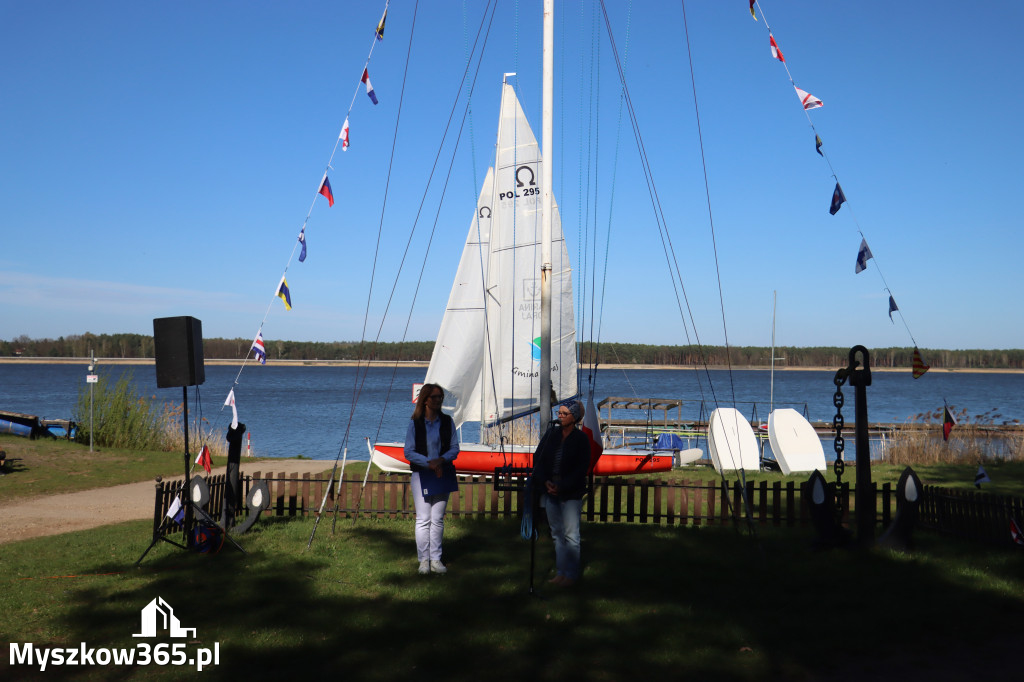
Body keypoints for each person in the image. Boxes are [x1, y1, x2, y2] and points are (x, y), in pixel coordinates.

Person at [532, 400, 590, 587]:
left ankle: (571, 575)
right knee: (557, 533)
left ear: (574, 418)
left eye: (564, 414)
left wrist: (563, 485)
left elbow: (581, 468)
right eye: (559, 412)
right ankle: (561, 572)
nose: (560, 416)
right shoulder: (551, 435)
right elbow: (538, 459)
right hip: (550, 490)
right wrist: (545, 481)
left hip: (570, 493)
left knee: (571, 535)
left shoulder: (581, 439)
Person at [403, 383, 459, 575]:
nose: (437, 400)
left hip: (443, 473)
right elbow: (408, 452)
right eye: (434, 397)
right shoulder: (415, 423)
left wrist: (441, 460)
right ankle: (423, 561)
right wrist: (429, 463)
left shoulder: (447, 421)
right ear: (425, 399)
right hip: (422, 474)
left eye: (440, 397)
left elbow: (454, 448)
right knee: (423, 519)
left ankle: (436, 559)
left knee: (438, 519)